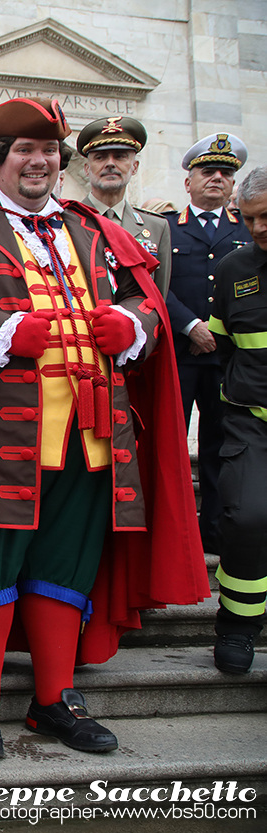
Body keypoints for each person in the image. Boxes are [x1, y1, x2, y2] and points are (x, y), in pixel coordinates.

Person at [0, 98, 208, 761]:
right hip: (0, 442)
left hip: (92, 437)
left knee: (66, 566)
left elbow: (148, 297)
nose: (39, 160)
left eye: (49, 150)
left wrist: (136, 324)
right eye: (24, 150)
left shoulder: (96, 229)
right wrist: (6, 330)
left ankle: (54, 697)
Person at [166, 133, 252, 555]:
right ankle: (177, 537)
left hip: (225, 360)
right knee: (173, 449)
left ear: (234, 185)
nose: (216, 178)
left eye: (225, 173)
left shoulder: (248, 230)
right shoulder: (165, 228)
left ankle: (215, 534)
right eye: (207, 171)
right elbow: (156, 285)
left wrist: (216, 334)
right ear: (189, 182)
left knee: (223, 448)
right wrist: (190, 326)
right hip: (179, 357)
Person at [207, 166, 267, 673]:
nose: (258, 228)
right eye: (249, 219)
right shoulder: (233, 269)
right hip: (252, 421)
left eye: (266, 217)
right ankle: (237, 626)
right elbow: (222, 342)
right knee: (245, 517)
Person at [77, 116, 172, 296]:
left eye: (120, 156)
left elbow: (159, 297)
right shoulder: (66, 219)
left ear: (134, 167)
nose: (110, 163)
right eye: (100, 157)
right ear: (87, 169)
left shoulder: (156, 226)